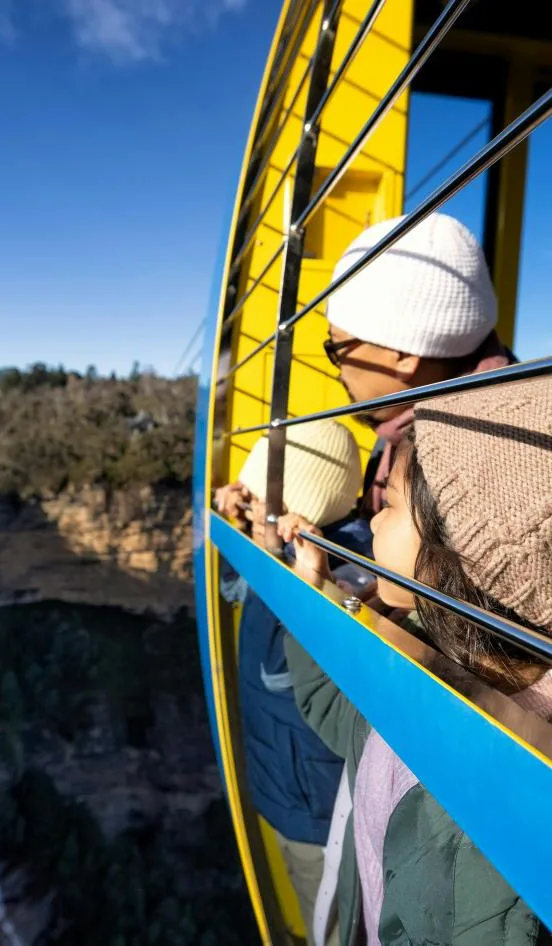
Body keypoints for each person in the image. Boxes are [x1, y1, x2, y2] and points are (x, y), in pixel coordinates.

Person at [278, 377, 552, 945]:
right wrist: (312, 588)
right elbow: (340, 713)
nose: (373, 518)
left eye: (394, 505)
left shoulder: (498, 825)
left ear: (469, 557)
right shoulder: (427, 649)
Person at [215, 420, 372, 946]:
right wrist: (241, 532)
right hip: (286, 789)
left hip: (318, 815)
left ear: (300, 507)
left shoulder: (343, 575)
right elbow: (241, 593)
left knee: (328, 926)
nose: (251, 504)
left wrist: (309, 579)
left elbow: (312, 668)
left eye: (260, 497)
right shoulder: (283, 556)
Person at [323, 211, 513, 515]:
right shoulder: (408, 424)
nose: (337, 366)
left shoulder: (472, 475)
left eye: (337, 344)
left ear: (405, 354)